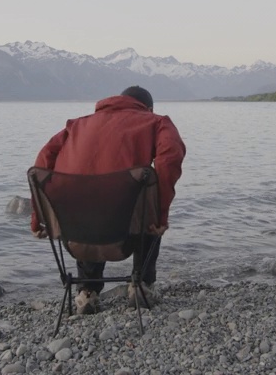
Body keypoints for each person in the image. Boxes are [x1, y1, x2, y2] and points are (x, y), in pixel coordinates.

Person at [31, 85, 186, 314]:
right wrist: (161, 214)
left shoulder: (76, 125)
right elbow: (170, 157)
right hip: (126, 234)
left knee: (88, 201)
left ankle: (87, 293)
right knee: (146, 205)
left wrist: (38, 217)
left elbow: (42, 163)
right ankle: (141, 286)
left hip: (74, 233)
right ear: (149, 108)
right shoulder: (156, 121)